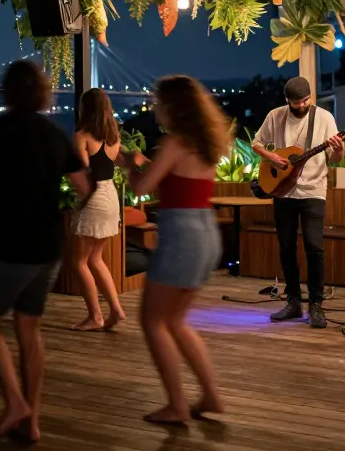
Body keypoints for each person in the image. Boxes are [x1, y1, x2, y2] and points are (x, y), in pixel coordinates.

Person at [0, 60, 91, 443]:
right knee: (29, 328)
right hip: (48, 244)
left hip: (11, 243)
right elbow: (84, 186)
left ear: (7, 92)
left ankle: (14, 402)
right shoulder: (54, 134)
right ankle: (30, 422)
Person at [118, 75, 232, 426]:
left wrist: (128, 163)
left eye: (158, 101)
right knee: (176, 321)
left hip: (181, 235)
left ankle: (177, 405)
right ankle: (210, 395)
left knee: (152, 321)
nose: (154, 106)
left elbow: (142, 188)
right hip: (206, 233)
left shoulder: (174, 142)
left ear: (173, 106)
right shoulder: (205, 143)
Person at [251, 76, 343, 329]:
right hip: (282, 190)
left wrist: (339, 148)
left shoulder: (324, 118)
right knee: (286, 246)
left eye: (305, 101)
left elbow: (335, 158)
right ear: (287, 101)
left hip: (314, 189)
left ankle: (316, 304)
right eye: (296, 102)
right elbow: (257, 143)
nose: (301, 106)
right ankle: (293, 302)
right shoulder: (276, 115)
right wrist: (272, 158)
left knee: (314, 247)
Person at [69, 87, 126, 331]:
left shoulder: (81, 136)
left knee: (80, 261)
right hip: (110, 195)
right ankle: (115, 309)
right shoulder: (114, 137)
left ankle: (95, 315)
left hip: (93, 197)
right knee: (96, 259)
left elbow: (79, 173)